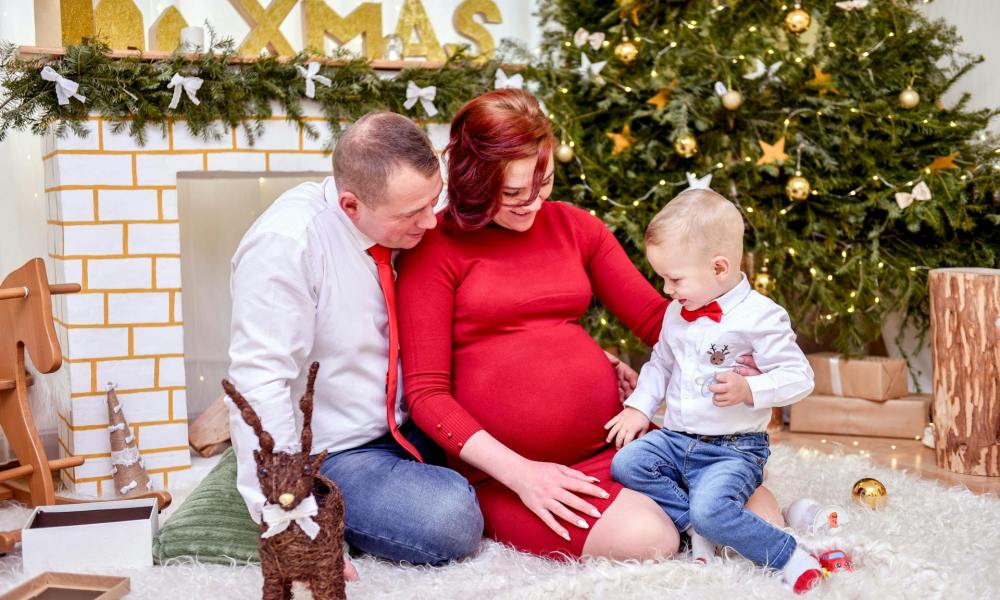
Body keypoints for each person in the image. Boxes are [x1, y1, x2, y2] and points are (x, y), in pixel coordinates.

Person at [396, 89, 784, 561]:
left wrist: (741, 351)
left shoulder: (576, 227)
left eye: (544, 185)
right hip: (510, 473)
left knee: (762, 520)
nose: (533, 204)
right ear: (473, 178)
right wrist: (522, 475)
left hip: (617, 446)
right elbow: (427, 395)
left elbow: (655, 320)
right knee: (649, 539)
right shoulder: (435, 248)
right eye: (513, 192)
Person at [227, 112, 484, 576]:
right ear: (350, 206)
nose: (431, 221)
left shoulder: (408, 223)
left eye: (434, 201)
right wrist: (290, 516)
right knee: (451, 520)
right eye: (411, 214)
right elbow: (258, 382)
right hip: (338, 449)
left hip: (412, 419)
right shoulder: (286, 245)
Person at [608, 189, 825, 593]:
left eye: (674, 278)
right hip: (676, 439)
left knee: (713, 510)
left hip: (734, 448)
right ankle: (697, 527)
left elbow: (800, 377)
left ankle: (790, 553)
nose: (667, 289)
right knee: (628, 464)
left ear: (719, 267)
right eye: (663, 278)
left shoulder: (761, 316)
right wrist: (639, 407)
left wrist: (750, 387)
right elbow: (660, 364)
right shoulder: (677, 312)